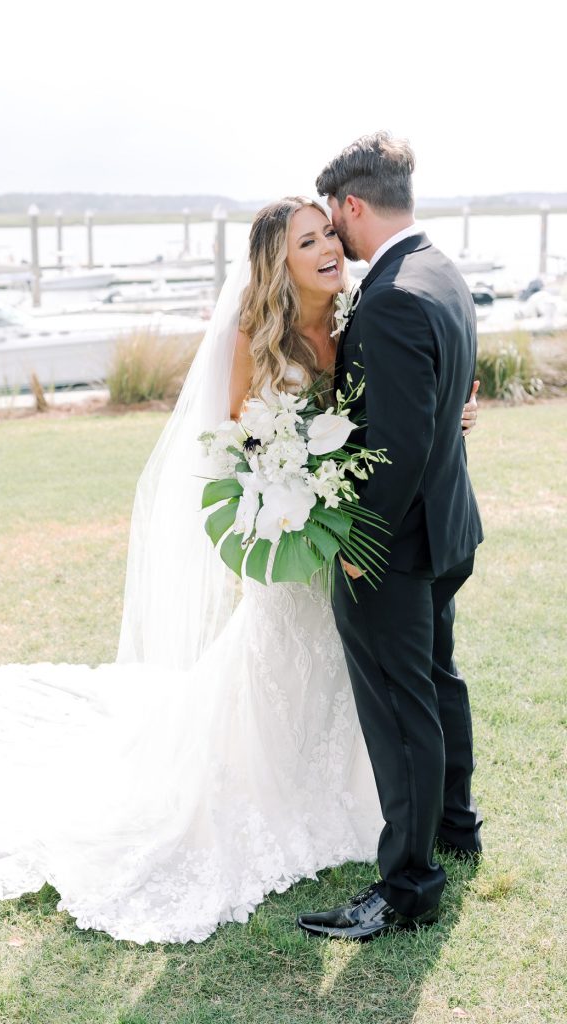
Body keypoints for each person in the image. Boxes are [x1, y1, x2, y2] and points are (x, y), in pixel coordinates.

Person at [0, 194, 479, 946]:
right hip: (301, 542)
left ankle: (382, 818)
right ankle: (289, 810)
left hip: (354, 539)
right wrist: (282, 501)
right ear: (277, 264)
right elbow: (233, 449)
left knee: (365, 685)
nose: (325, 249)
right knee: (294, 677)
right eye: (306, 241)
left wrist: (448, 418)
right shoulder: (255, 338)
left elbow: (395, 407)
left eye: (327, 235)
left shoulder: (359, 312)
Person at [297, 133, 484, 942]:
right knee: (437, 681)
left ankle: (409, 884)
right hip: (449, 528)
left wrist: (358, 544)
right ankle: (455, 828)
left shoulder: (392, 295)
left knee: (402, 709)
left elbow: (399, 445)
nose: (333, 239)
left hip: (397, 546)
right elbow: (439, 408)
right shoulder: (442, 270)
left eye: (334, 223)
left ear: (351, 205)